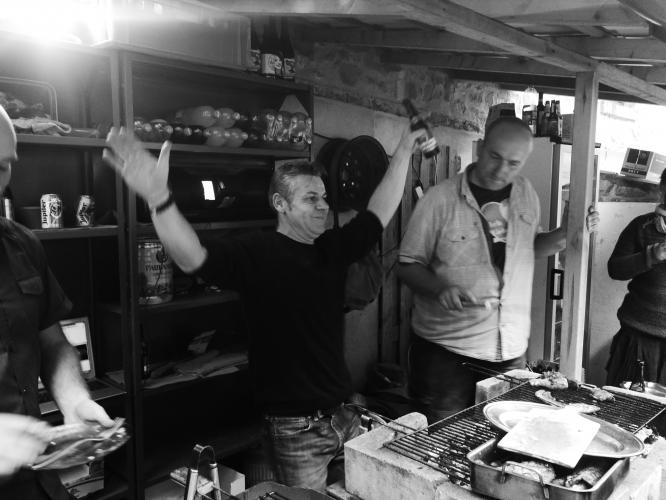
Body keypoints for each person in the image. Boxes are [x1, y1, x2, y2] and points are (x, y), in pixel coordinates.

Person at [103, 125, 425, 491]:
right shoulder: (257, 252)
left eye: (323, 197)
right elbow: (192, 256)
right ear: (280, 204)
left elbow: (379, 212)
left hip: (344, 414)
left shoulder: (331, 248)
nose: (323, 206)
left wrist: (404, 150)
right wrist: (159, 200)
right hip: (296, 429)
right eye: (310, 199)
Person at [398, 117, 599, 423]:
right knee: (442, 438)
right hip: (447, 354)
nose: (501, 170)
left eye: (513, 163)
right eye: (495, 157)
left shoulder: (526, 194)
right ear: (481, 148)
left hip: (510, 351)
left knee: (501, 438)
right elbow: (407, 265)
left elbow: (528, 249)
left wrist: (565, 233)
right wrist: (439, 289)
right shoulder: (439, 199)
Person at [0, 106, 114, 499]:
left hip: (34, 480)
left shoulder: (22, 244)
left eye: (3, 166)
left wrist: (74, 400)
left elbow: (51, 342)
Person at [606, 169, 666, 386]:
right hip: (638, 337)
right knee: (626, 402)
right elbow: (615, 269)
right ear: (662, 189)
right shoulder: (640, 226)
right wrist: (650, 256)